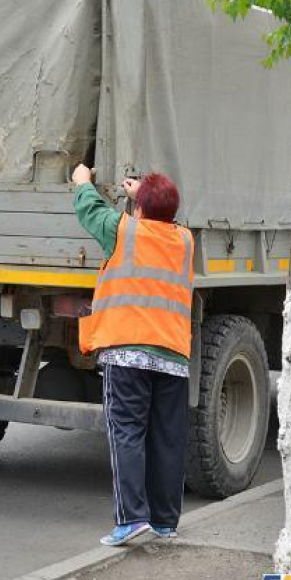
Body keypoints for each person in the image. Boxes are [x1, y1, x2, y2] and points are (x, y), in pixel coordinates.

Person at [71, 163, 194, 547]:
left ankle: (131, 519)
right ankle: (164, 521)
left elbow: (91, 211)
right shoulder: (186, 240)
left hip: (126, 354)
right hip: (173, 355)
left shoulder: (122, 231)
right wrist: (142, 196)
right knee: (167, 439)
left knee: (127, 433)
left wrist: (81, 182)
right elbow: (159, 221)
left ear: (138, 209)